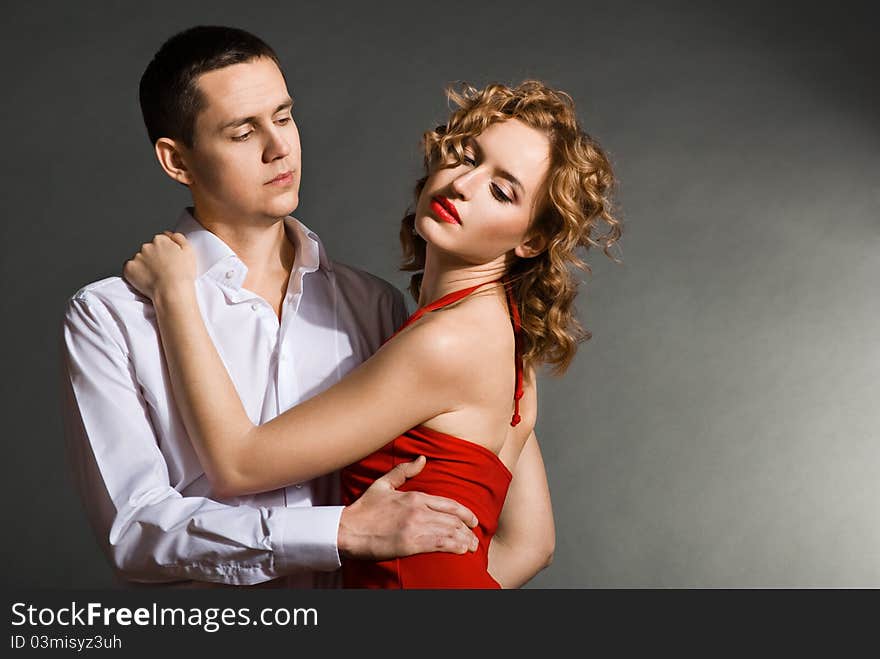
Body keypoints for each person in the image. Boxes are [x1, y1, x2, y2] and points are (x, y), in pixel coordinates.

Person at [122, 76, 622, 587]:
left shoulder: (447, 343)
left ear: (533, 240)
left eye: (500, 190)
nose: (462, 186)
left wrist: (174, 294)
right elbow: (531, 545)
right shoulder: (504, 343)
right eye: (467, 157)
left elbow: (239, 464)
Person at [60, 25, 495, 588]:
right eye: (243, 132)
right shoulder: (110, 317)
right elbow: (137, 530)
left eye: (284, 117)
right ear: (177, 161)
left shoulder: (374, 305)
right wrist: (336, 532)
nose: (278, 147)